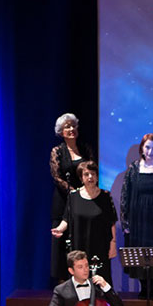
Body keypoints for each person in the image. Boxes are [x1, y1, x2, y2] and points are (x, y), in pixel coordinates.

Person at [120, 133, 153, 299]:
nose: (150, 151)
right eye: (147, 147)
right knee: (141, 253)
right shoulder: (134, 168)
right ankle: (144, 288)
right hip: (139, 218)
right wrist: (125, 221)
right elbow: (125, 195)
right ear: (142, 149)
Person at [51, 161, 118, 284]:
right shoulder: (73, 196)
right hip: (79, 246)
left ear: (97, 177)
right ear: (81, 178)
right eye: (86, 174)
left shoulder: (105, 196)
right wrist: (59, 229)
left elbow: (111, 222)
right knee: (81, 282)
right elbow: (67, 218)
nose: (90, 177)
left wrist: (113, 244)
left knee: (101, 281)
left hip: (100, 247)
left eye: (93, 174)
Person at [49, 113, 97, 283]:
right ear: (61, 132)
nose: (71, 129)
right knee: (62, 244)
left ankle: (84, 280)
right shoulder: (57, 152)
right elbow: (56, 176)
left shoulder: (85, 149)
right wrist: (74, 192)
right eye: (67, 127)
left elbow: (92, 170)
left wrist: (83, 192)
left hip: (85, 199)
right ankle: (64, 284)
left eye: (73, 126)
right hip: (63, 200)